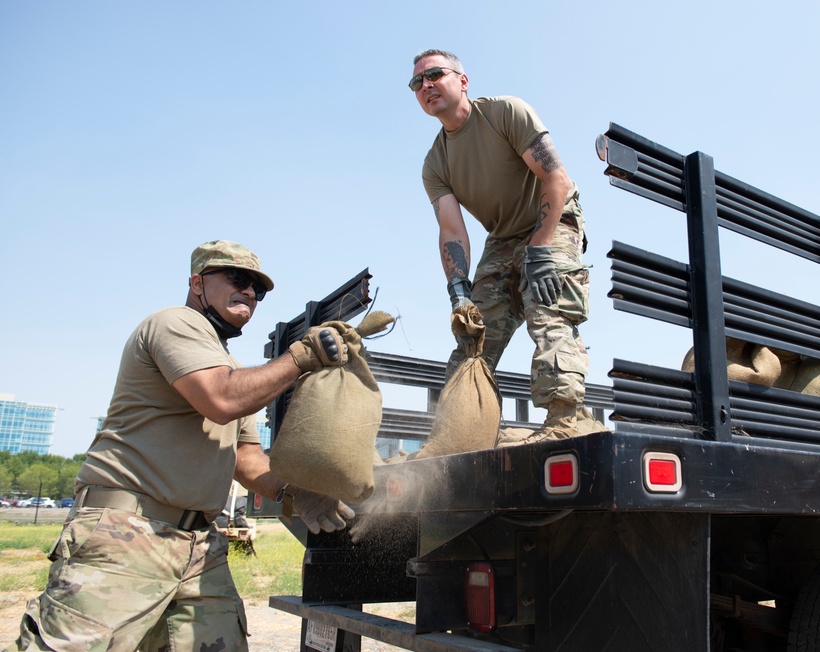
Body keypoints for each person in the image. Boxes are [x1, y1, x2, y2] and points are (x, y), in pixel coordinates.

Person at [10, 240, 353, 651]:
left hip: (198, 548)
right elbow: (221, 400)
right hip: (127, 536)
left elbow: (245, 458)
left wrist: (295, 492)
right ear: (197, 283)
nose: (249, 292)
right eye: (238, 279)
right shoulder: (174, 323)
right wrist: (301, 357)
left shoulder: (235, 370)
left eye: (257, 290)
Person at [411, 49, 593, 442]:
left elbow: (556, 180)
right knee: (472, 335)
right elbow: (452, 231)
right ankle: (458, 434)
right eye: (417, 82)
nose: (425, 85)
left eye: (434, 74)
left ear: (462, 80)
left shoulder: (505, 113)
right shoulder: (435, 163)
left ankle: (561, 424)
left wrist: (541, 251)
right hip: (503, 236)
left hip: (551, 217)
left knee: (547, 306)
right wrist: (459, 293)